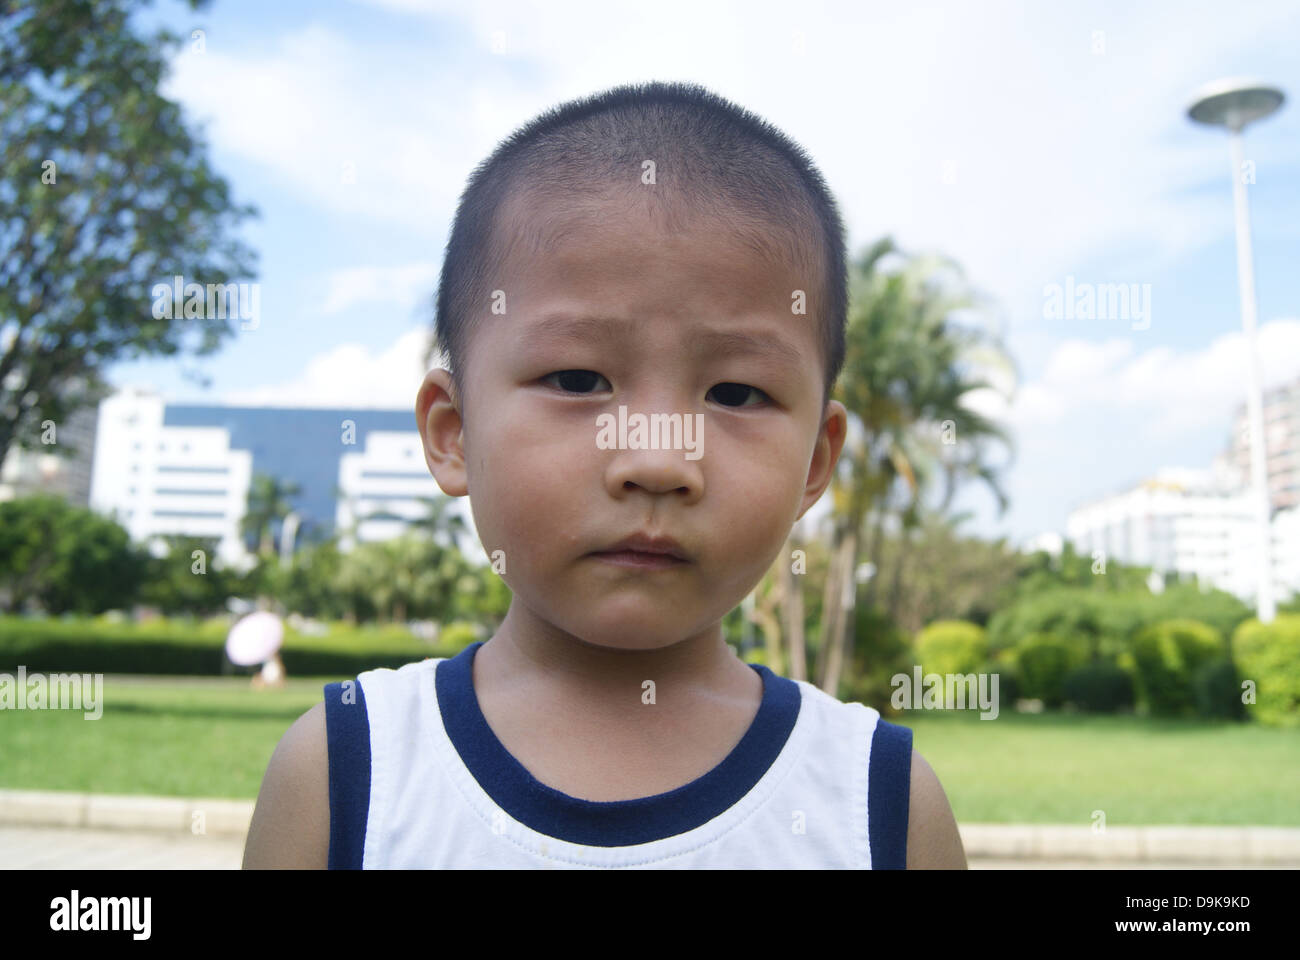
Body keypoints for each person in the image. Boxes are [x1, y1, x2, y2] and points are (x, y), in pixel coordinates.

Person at [242, 80, 967, 869]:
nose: (658, 459)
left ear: (816, 463)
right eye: (579, 381)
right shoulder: (349, 774)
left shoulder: (879, 806)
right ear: (453, 433)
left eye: (735, 393)